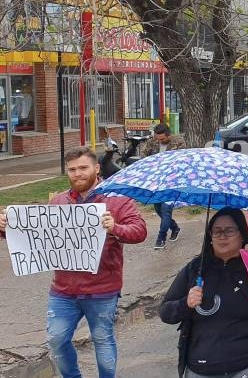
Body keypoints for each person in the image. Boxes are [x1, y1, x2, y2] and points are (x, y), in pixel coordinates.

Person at [0, 146, 147, 378]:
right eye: (72, 169)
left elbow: (139, 231)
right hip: (63, 290)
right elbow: (39, 235)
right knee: (56, 339)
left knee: (103, 339)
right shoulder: (59, 201)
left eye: (83, 168)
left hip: (102, 289)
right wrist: (8, 228)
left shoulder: (118, 200)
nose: (77, 174)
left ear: (96, 168)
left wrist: (114, 227)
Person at [160, 208, 248, 377]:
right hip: (202, 368)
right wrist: (185, 303)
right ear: (210, 236)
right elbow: (165, 313)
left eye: (229, 230)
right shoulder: (195, 269)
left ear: (242, 235)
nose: (222, 236)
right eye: (217, 231)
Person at [141, 123, 187, 249]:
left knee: (166, 209)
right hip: (157, 180)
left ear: (169, 135)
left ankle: (161, 238)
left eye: (162, 139)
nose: (159, 141)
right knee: (158, 209)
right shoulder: (153, 142)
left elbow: (182, 160)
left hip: (172, 180)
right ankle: (174, 227)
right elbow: (144, 156)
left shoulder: (178, 143)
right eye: (158, 138)